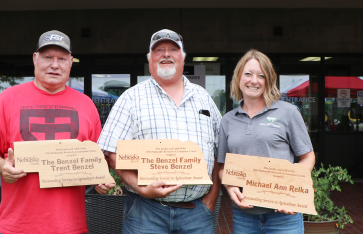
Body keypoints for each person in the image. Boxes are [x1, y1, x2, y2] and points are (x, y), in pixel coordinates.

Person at [0, 30, 103, 234]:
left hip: (70, 226)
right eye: (48, 57)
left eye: (62, 58)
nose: (55, 64)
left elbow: (99, 157)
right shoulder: (7, 99)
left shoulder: (86, 105)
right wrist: (2, 166)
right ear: (35, 59)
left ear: (70, 62)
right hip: (16, 226)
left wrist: (102, 178)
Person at [97, 29, 222, 234]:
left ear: (182, 57)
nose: (166, 54)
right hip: (145, 214)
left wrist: (214, 194)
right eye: (159, 50)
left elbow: (220, 149)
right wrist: (141, 188)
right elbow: (112, 152)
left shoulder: (204, 97)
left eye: (173, 49)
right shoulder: (131, 98)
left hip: (197, 213)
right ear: (149, 58)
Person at [217, 49, 315, 233]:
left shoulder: (288, 112)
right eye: (248, 74)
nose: (254, 80)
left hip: (283, 216)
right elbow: (222, 167)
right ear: (238, 78)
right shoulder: (228, 120)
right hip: (244, 216)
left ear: (268, 80)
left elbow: (308, 158)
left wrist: (291, 188)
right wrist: (230, 187)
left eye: (261, 75)